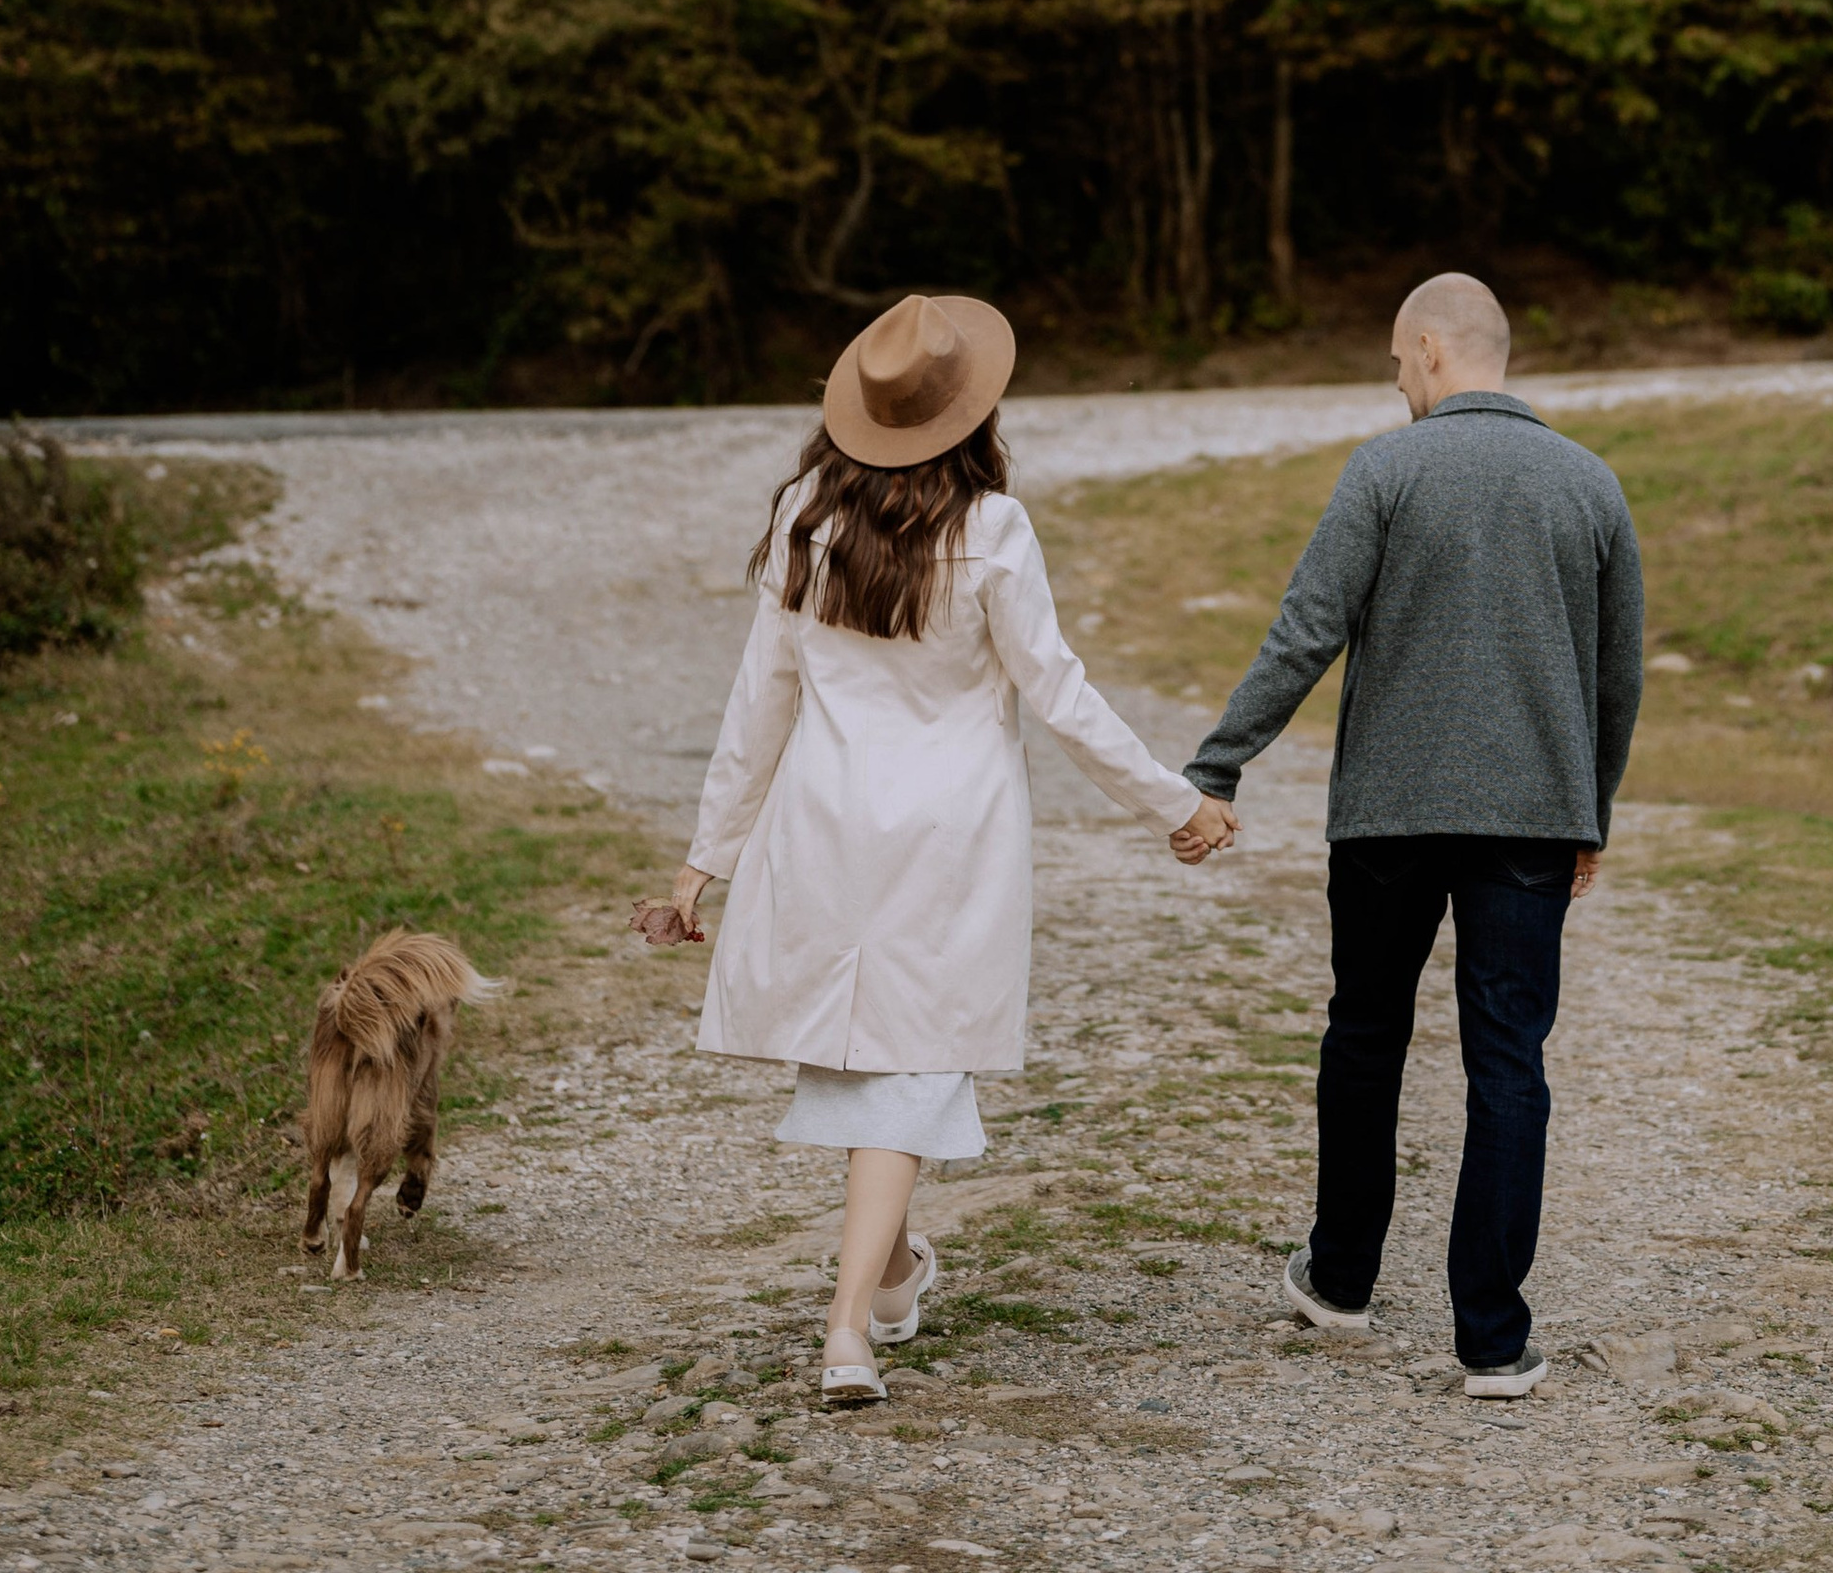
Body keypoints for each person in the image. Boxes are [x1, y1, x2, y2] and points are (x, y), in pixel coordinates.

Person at [646, 293, 1236, 1403]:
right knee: (907, 1068)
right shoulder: (992, 529)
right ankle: (843, 1327)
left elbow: (757, 703)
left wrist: (704, 859)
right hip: (947, 838)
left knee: (885, 1069)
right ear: (970, 412)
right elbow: (1058, 692)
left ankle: (895, 1271)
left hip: (825, 826)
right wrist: (1173, 801)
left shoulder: (804, 522)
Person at [1173, 270, 1644, 1395]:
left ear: (1432, 348)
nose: (1395, 383)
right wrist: (1595, 811)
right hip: (1532, 815)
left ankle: (1338, 1277)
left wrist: (1216, 762)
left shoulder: (1385, 470)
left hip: (1387, 813)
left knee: (1366, 1031)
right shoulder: (1589, 484)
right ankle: (1490, 1338)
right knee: (1507, 1062)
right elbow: (1614, 676)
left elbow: (1304, 633)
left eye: (1395, 362)